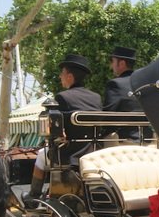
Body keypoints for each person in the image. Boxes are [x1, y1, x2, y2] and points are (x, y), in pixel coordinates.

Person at [25, 54, 102, 206]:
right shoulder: (96, 97)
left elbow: (56, 131)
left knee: (41, 155)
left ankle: (33, 197)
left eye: (62, 74)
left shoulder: (63, 97)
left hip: (70, 156)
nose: (60, 77)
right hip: (92, 153)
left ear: (69, 76)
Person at [103, 46, 144, 142]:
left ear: (121, 63)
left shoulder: (115, 84)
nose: (111, 66)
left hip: (125, 139)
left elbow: (107, 115)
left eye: (112, 62)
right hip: (147, 137)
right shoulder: (144, 82)